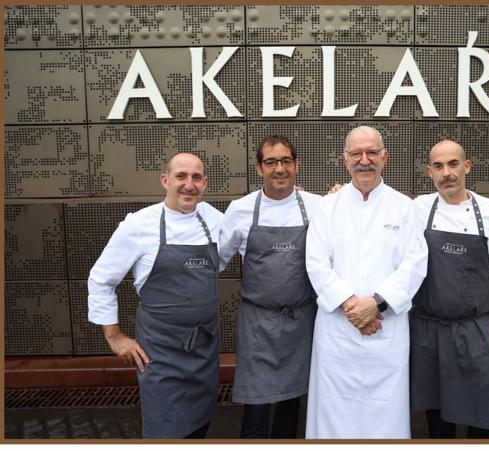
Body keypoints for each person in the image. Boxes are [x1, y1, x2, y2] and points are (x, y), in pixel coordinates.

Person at [87, 153, 223, 439]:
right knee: (166, 430)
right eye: (181, 177)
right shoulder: (138, 225)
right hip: (161, 354)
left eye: (196, 178)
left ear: (205, 183)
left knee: (200, 426)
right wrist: (115, 337)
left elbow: (254, 227)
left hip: (203, 352)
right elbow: (101, 279)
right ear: (165, 180)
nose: (189, 185)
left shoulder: (213, 219)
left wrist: (313, 198)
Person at [304, 126, 428, 439]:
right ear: (344, 159)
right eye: (356, 154)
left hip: (385, 329)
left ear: (384, 157)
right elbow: (316, 262)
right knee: (333, 412)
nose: (364, 160)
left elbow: (415, 263)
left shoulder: (404, 207)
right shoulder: (326, 206)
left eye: (372, 152)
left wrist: (375, 305)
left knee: (385, 413)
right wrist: (351, 306)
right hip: (337, 332)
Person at [410, 139, 489, 438]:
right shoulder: (417, 208)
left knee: (484, 415)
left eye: (453, 164)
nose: (447, 173)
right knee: (438, 418)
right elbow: (375, 209)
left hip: (477, 330)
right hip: (429, 330)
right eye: (439, 166)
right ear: (429, 172)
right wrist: (338, 194)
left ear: (467, 166)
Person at [218, 135, 321, 439]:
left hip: (300, 319)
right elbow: (218, 259)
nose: (279, 169)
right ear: (259, 167)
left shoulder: (317, 206)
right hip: (257, 323)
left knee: (292, 400)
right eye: (271, 162)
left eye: (286, 161)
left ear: (296, 165)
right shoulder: (240, 209)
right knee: (256, 402)